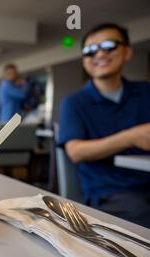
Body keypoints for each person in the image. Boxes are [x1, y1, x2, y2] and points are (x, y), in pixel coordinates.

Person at [57, 23, 150, 227]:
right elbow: (75, 152)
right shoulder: (74, 103)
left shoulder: (145, 92)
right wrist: (130, 137)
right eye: (90, 50)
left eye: (108, 46)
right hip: (111, 193)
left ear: (127, 52)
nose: (99, 54)